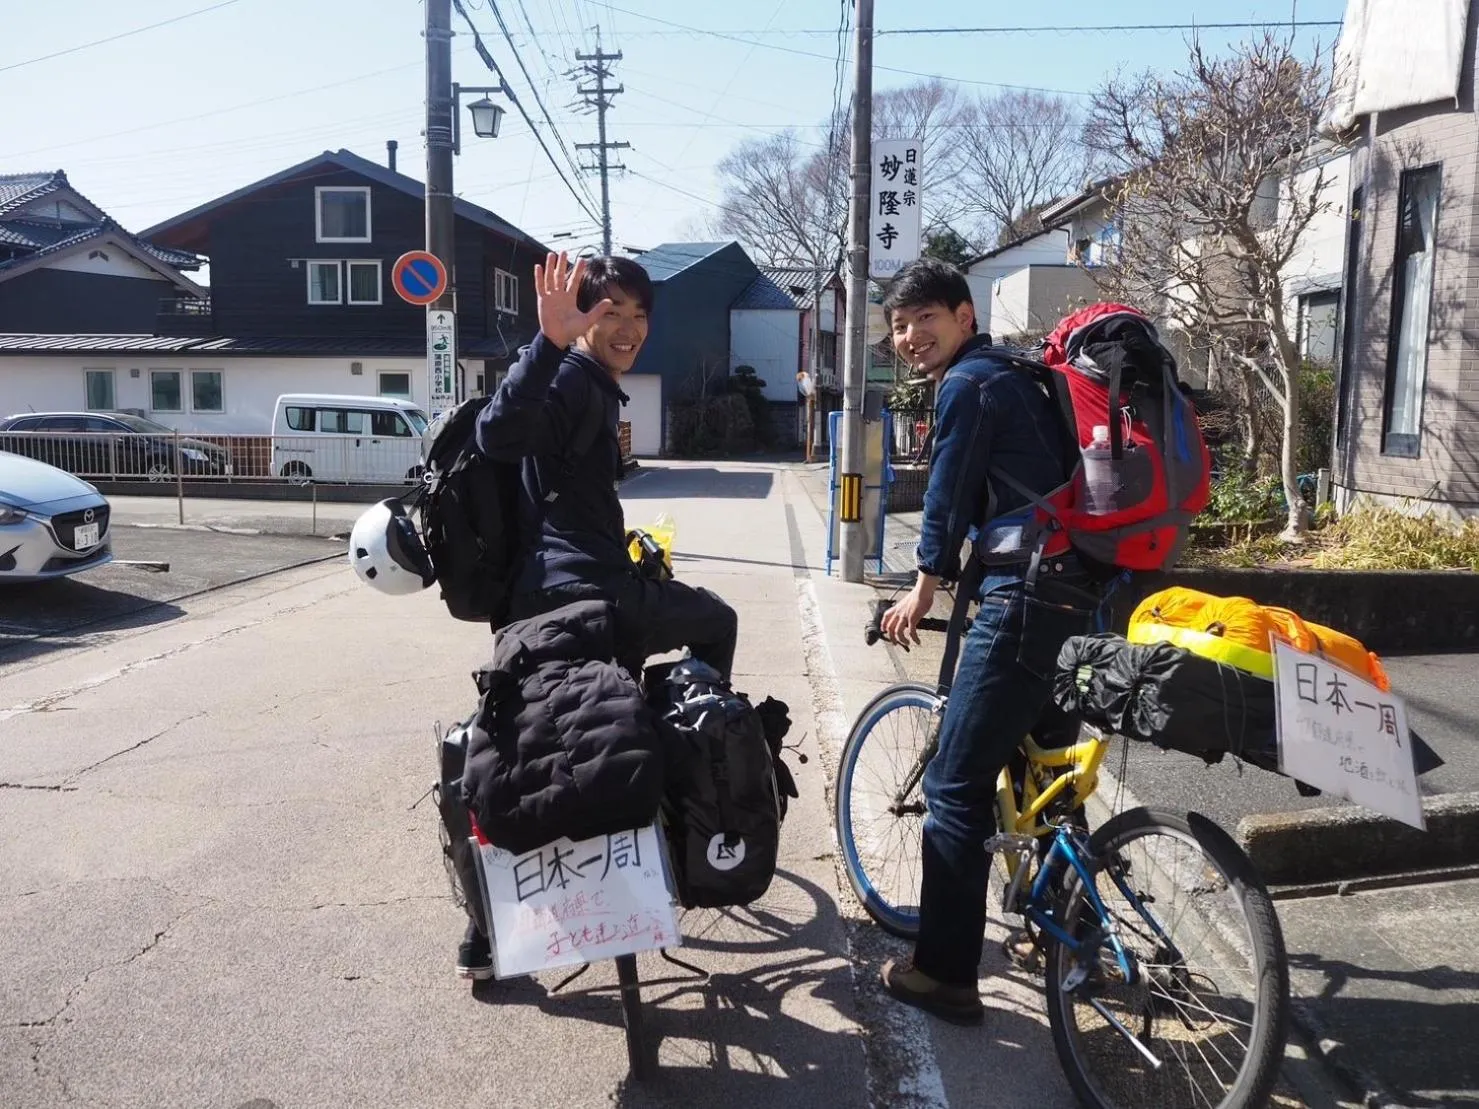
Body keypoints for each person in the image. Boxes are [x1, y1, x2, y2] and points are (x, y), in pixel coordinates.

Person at [453, 252, 739, 979]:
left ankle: (484, 935)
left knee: (510, 746)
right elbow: (497, 435)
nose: (627, 327)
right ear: (581, 317)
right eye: (609, 311)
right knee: (716, 622)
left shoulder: (590, 387)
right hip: (595, 601)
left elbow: (559, 492)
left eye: (639, 314)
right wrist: (548, 343)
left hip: (530, 609)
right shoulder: (569, 378)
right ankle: (685, 810)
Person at [875, 259, 1106, 1025]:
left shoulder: (968, 385)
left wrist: (924, 582)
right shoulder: (1027, 374)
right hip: (1083, 593)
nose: (908, 337)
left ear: (963, 315)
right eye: (897, 326)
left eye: (921, 319)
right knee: (1048, 776)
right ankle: (1076, 940)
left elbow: (948, 491)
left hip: (1026, 595)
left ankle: (942, 973)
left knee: (952, 787)